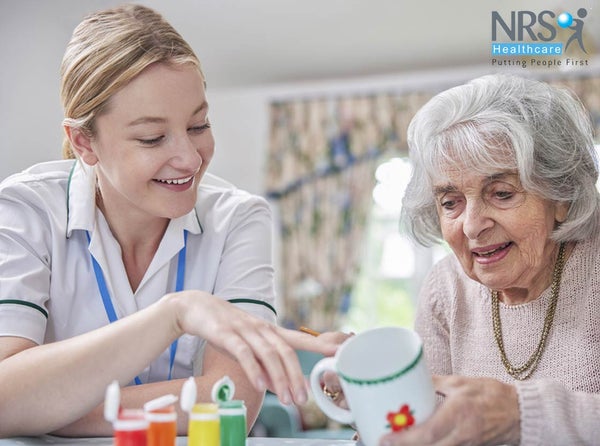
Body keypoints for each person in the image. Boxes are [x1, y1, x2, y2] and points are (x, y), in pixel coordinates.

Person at [0, 4, 346, 438]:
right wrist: (175, 314)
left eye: (199, 125)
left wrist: (44, 404)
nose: (189, 157)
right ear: (84, 142)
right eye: (152, 137)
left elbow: (232, 400)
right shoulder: (25, 209)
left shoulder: (238, 218)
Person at [324, 74, 600, 445]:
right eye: (450, 202)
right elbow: (430, 423)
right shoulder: (447, 286)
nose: (471, 226)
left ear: (561, 196)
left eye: (501, 193)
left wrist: (521, 414)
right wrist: (374, 398)